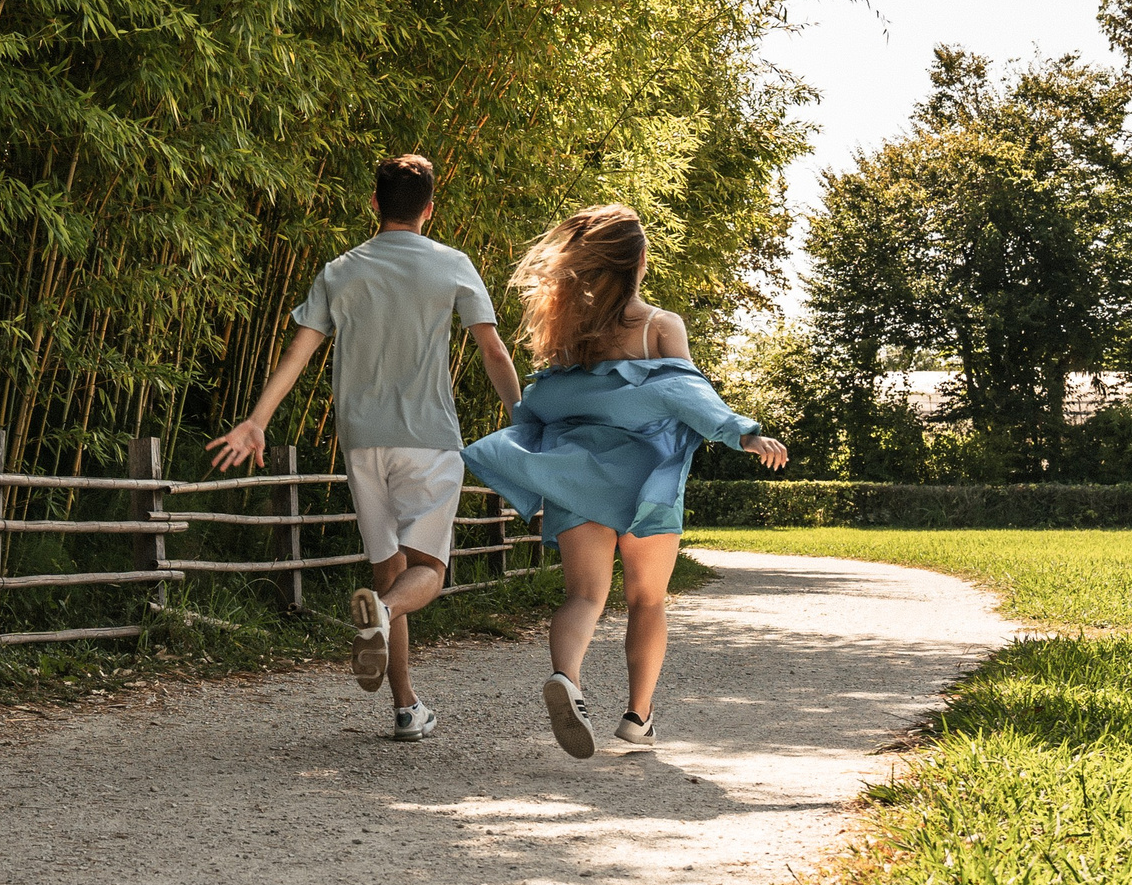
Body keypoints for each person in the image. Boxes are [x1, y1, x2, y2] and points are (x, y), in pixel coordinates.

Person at [208, 155, 522, 742]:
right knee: (425, 570)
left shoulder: (340, 270)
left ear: (373, 204)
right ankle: (382, 618)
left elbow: (299, 353)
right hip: (429, 440)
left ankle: (406, 708)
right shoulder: (452, 265)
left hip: (361, 444)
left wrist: (257, 420)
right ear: (429, 208)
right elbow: (494, 353)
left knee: (389, 573)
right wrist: (520, 420)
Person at [463, 205, 786, 759]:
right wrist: (743, 433)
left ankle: (567, 679)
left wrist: (528, 433)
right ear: (639, 261)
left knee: (584, 596)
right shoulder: (660, 326)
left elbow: (540, 405)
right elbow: (688, 397)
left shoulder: (571, 337)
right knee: (647, 600)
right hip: (648, 483)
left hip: (577, 477)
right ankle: (638, 718)